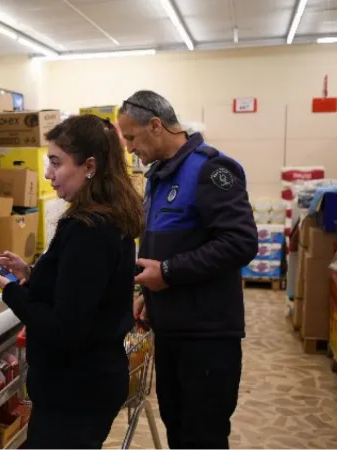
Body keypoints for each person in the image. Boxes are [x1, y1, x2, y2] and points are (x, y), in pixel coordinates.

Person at [0, 114, 144, 450]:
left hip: (76, 389)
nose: (47, 174)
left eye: (56, 163)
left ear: (89, 166)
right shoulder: (108, 216)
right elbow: (83, 289)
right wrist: (31, 274)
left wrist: (11, 290)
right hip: (91, 381)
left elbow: (64, 327)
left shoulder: (87, 229)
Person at [118, 90, 258, 450]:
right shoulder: (158, 177)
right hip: (170, 331)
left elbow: (240, 242)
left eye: (131, 137)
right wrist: (147, 293)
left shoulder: (211, 169)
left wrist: (167, 272)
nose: (130, 148)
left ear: (155, 126)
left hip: (207, 337)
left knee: (203, 435)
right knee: (178, 427)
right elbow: (159, 246)